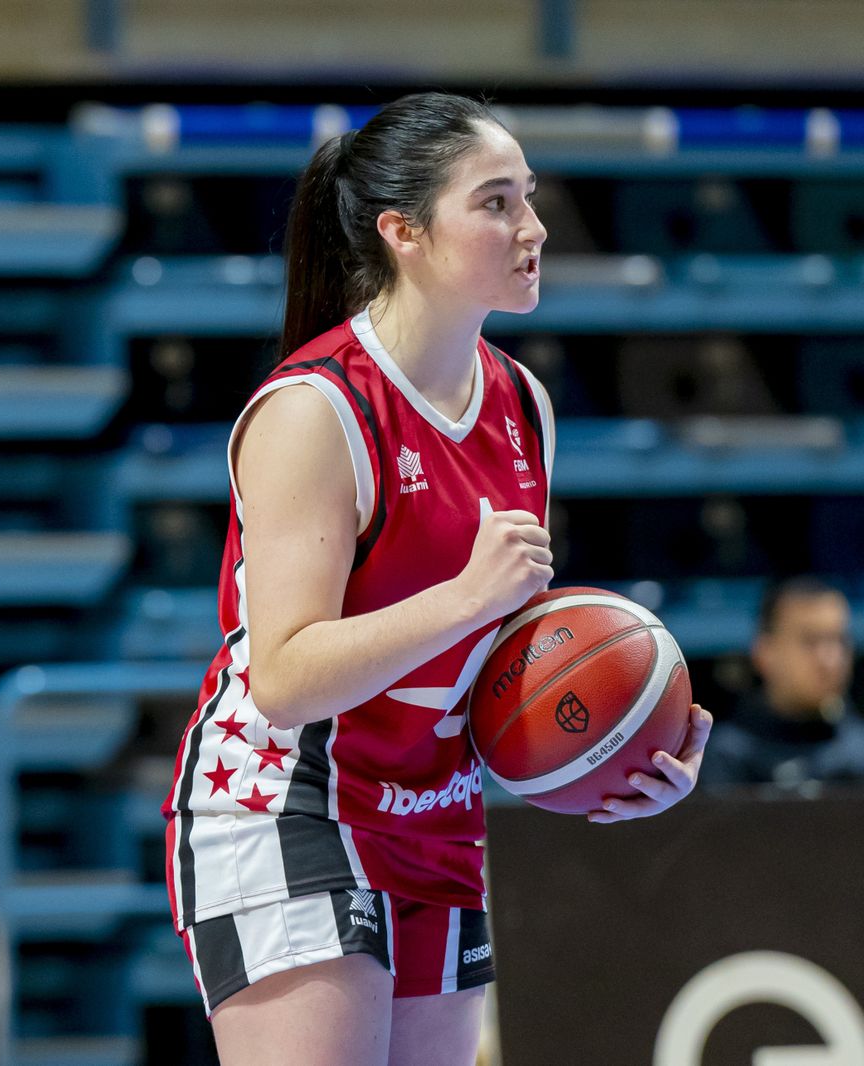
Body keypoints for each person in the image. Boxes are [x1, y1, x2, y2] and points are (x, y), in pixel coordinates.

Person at [160, 93, 715, 1066]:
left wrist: (628, 746)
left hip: (433, 810)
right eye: (496, 202)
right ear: (402, 232)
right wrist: (467, 593)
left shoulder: (521, 403)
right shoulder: (314, 410)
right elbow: (285, 677)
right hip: (290, 802)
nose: (533, 228)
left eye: (529, 199)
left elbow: (503, 658)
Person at [700, 576, 864, 789]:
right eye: (810, 641)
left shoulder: (858, 751)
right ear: (764, 652)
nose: (829, 660)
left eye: (838, 640)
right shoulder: (724, 758)